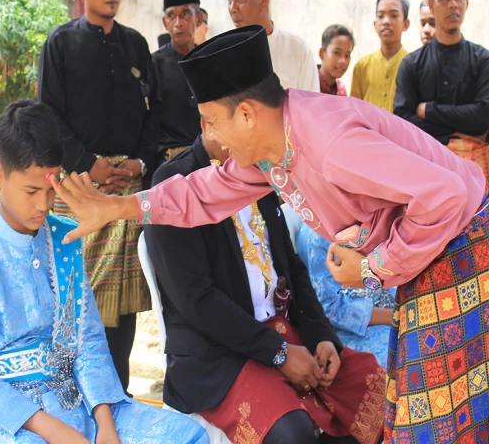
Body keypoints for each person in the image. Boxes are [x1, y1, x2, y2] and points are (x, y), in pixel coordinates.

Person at [49, 24, 489, 443]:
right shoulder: (274, 147)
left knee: (447, 414)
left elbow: (448, 196)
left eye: (211, 122)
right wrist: (119, 206)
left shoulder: (328, 144)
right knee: (425, 410)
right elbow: (204, 192)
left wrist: (373, 267)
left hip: (464, 251)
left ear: (246, 115)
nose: (209, 138)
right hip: (430, 255)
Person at [0, 99, 207, 444]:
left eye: (52, 189)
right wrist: (55, 431)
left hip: (79, 399)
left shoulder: (64, 238)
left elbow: (88, 340)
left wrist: (105, 424)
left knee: (187, 436)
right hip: (5, 419)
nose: (43, 204)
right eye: (32, 190)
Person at [144, 130, 385, 444]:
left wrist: (322, 336)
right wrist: (280, 354)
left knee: (377, 391)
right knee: (291, 432)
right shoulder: (172, 184)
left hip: (285, 333)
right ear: (210, 120)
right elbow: (197, 301)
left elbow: (292, 266)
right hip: (219, 355)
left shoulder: (256, 172)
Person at [38, 0, 160, 393]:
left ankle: (117, 397)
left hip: (126, 193)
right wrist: (88, 163)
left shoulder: (136, 45)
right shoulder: (60, 43)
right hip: (78, 191)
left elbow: (154, 114)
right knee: (75, 305)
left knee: (123, 312)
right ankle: (76, 401)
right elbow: (48, 112)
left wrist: (140, 163)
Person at [394, 0, 489, 183]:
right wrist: (454, 135)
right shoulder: (411, 64)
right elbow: (403, 121)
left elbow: (482, 117)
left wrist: (429, 110)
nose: (453, 5)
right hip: (427, 171)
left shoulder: (485, 61)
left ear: (466, 3)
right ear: (431, 6)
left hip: (473, 174)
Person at [296, 225, 394, 368]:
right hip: (349, 331)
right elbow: (329, 307)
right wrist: (395, 316)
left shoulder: (368, 214)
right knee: (410, 350)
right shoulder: (316, 233)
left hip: (393, 309)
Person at [227, 0, 319, 92]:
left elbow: (311, 105)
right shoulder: (224, 52)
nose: (232, 8)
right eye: (229, 0)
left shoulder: (297, 49)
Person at [153, 0, 203, 165]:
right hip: (169, 164)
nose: (178, 23)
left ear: (198, 18)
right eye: (171, 16)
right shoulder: (153, 65)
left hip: (208, 164)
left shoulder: (210, 60)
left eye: (185, 14)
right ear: (164, 22)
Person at [350, 0, 410, 112]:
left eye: (394, 15)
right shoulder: (362, 66)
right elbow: (354, 110)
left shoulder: (414, 66)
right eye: (381, 16)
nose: (386, 21)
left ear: (405, 24)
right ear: (375, 24)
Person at [317, 25, 354, 96]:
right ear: (322, 53)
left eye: (347, 55)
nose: (343, 61)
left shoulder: (341, 92)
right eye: (337, 53)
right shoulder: (309, 83)